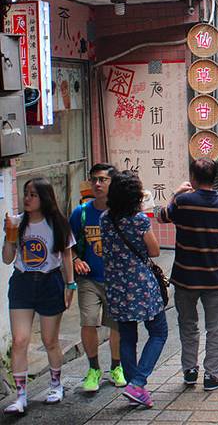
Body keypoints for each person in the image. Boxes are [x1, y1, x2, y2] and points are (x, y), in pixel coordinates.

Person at [159, 159, 218, 391]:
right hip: (213, 277)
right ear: (214, 177)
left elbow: (162, 216)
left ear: (193, 177)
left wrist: (175, 193)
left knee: (187, 324)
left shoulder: (182, 202)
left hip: (185, 277)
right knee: (215, 327)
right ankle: (213, 375)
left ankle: (190, 371)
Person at [2, 178, 76, 415]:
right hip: (22, 283)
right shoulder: (17, 222)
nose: (27, 198)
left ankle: (56, 385)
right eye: (26, 193)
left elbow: (66, 255)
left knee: (50, 340)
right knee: (19, 340)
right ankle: (21, 396)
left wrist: (70, 285)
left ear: (44, 198)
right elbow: (7, 259)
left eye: (33, 195)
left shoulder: (57, 223)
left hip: (49, 283)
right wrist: (9, 236)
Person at [101, 171, 167, 408]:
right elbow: (154, 250)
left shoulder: (105, 219)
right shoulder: (139, 220)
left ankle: (133, 387)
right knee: (159, 332)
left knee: (127, 337)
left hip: (116, 286)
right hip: (140, 285)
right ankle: (137, 383)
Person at [70, 163, 126, 392]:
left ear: (113, 183)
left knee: (116, 325)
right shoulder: (81, 213)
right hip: (89, 279)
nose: (97, 184)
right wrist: (75, 259)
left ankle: (116, 366)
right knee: (88, 321)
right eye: (94, 179)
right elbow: (68, 244)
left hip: (115, 279)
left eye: (103, 179)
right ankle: (93, 369)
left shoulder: (121, 212)